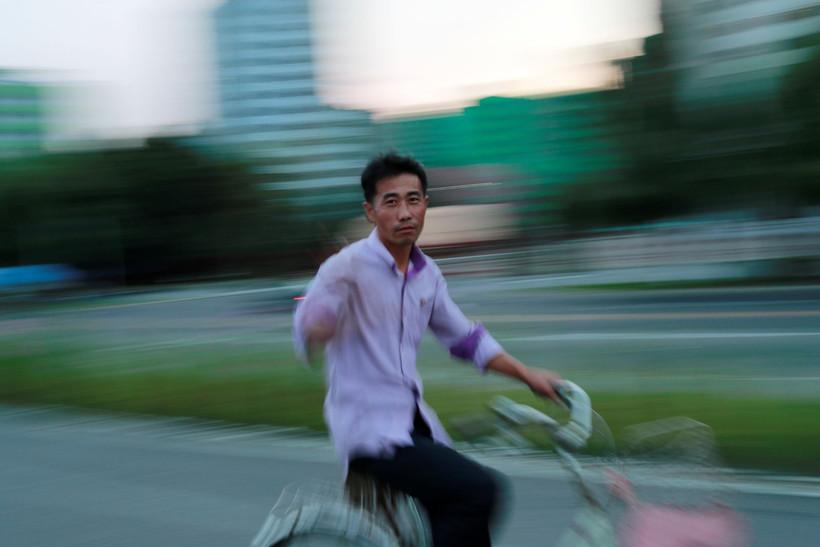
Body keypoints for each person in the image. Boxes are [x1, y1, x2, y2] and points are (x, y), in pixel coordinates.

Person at [293, 152, 561, 547]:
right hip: (371, 431)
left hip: (414, 425)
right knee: (476, 490)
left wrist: (528, 375)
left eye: (413, 200)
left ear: (426, 205)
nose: (405, 212)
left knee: (466, 518)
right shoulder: (345, 267)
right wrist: (317, 326)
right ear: (370, 211)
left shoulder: (427, 275)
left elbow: (466, 339)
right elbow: (312, 322)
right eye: (391, 202)